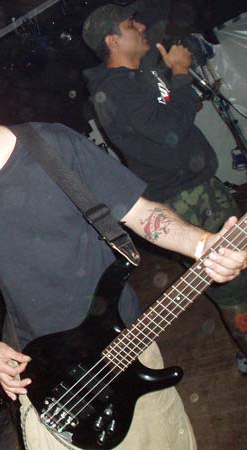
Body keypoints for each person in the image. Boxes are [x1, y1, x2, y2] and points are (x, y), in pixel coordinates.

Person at [0, 61, 247, 449]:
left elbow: (139, 213)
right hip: (42, 372)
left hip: (121, 346)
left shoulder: (53, 145)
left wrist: (202, 244)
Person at [82, 2, 247, 372]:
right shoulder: (114, 90)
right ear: (112, 40)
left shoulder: (139, 76)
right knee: (231, 281)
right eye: (131, 24)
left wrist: (177, 76)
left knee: (239, 269)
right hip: (184, 197)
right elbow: (168, 130)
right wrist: (181, 73)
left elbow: (176, 113)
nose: (141, 26)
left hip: (200, 186)